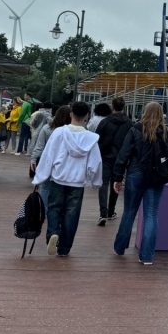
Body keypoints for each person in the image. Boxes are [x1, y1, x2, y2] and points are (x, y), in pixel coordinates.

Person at [32, 101, 102, 257]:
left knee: (54, 207)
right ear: (87, 117)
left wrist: (40, 177)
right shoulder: (91, 138)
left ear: (71, 114)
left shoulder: (59, 133)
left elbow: (48, 155)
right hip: (77, 181)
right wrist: (96, 182)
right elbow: (96, 162)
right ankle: (64, 248)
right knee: (72, 213)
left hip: (58, 177)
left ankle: (53, 234)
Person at [113, 102, 168, 265]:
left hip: (135, 174)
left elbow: (124, 153)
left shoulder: (136, 129)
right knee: (151, 214)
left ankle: (119, 247)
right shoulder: (166, 132)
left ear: (144, 112)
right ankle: (146, 256)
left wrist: (118, 177)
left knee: (129, 211)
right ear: (161, 114)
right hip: (156, 176)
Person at [95, 97, 133, 226]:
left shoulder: (105, 121)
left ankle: (103, 213)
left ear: (113, 106)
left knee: (104, 184)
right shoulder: (129, 123)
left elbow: (97, 139)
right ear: (124, 107)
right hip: (121, 158)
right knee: (116, 183)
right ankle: (111, 211)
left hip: (106, 157)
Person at [31, 105, 70, 208]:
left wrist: (33, 159)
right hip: (64, 162)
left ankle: (44, 211)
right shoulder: (71, 131)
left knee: (45, 187)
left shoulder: (47, 128)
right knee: (63, 188)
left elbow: (39, 146)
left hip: (47, 161)